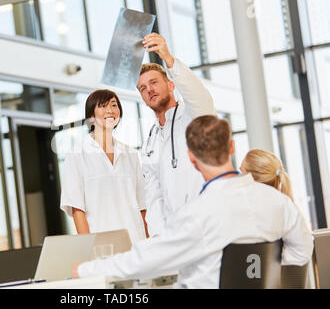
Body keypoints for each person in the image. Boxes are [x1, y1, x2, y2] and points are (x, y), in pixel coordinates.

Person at [72, 115, 313, 288]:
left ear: (192, 159)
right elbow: (302, 249)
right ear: (231, 147)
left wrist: (84, 270)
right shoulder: (278, 202)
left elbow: (145, 260)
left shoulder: (199, 214)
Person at [138, 33, 216, 236]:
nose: (149, 90)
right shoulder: (150, 142)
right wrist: (158, 238)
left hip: (207, 226)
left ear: (171, 85)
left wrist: (168, 59)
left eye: (154, 82)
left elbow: (199, 96)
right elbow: (153, 196)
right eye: (143, 88)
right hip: (175, 236)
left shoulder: (193, 116)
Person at [60, 89, 149, 244]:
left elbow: (142, 206)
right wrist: (88, 248)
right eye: (103, 106)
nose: (110, 110)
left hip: (136, 242)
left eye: (114, 105)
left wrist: (149, 243)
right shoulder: (76, 155)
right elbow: (77, 209)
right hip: (102, 245)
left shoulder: (131, 154)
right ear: (91, 116)